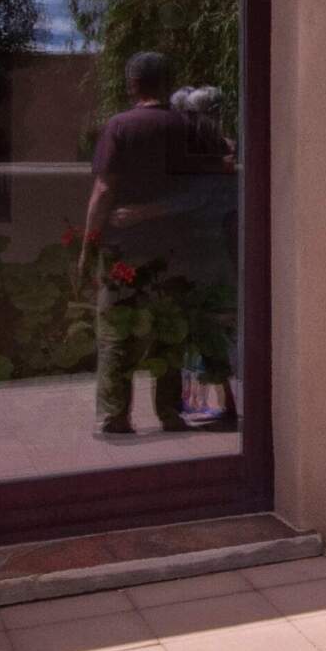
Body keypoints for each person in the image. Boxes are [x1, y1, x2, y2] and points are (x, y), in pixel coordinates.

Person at [81, 53, 233, 436]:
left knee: (117, 331)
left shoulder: (120, 127)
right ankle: (168, 413)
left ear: (132, 84)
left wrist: (88, 247)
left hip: (124, 250)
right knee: (170, 331)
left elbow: (103, 190)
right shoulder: (189, 126)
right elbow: (225, 164)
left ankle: (115, 416)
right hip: (175, 251)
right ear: (168, 83)